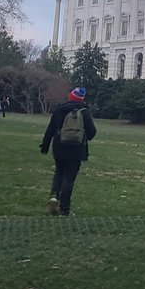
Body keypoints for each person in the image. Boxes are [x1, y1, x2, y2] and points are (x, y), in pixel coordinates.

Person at [40, 86, 97, 216]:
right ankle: (64, 209)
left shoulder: (60, 110)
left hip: (59, 147)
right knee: (69, 178)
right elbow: (92, 132)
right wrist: (83, 137)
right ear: (81, 100)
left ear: (70, 96)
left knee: (59, 172)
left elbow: (50, 129)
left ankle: (54, 195)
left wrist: (45, 146)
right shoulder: (85, 112)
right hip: (77, 150)